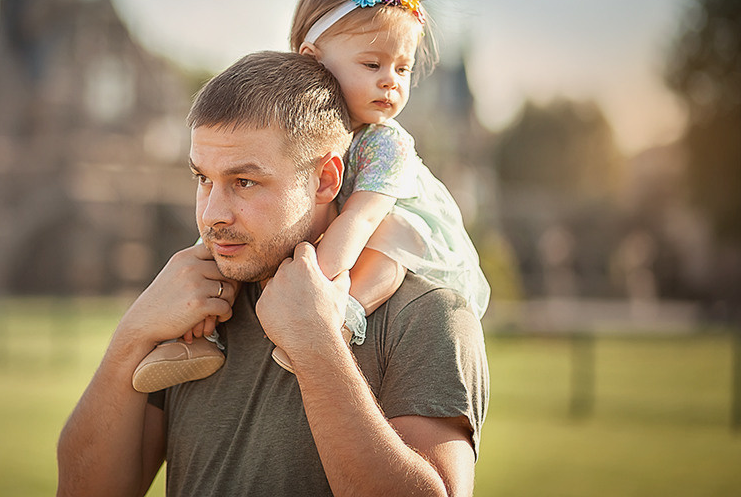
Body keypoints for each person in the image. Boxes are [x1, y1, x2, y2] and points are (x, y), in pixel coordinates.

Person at [56, 51, 489, 497]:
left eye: (244, 182)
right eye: (203, 179)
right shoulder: (193, 314)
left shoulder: (428, 316)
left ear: (325, 180)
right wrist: (133, 335)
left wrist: (317, 346)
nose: (212, 214)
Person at [267, 0, 491, 370]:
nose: (391, 81)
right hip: (340, 236)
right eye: (372, 64)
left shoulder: (386, 142)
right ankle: (197, 328)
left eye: (402, 69)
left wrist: (310, 285)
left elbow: (361, 217)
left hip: (387, 234)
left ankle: (340, 319)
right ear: (313, 60)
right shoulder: (293, 130)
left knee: (395, 234)